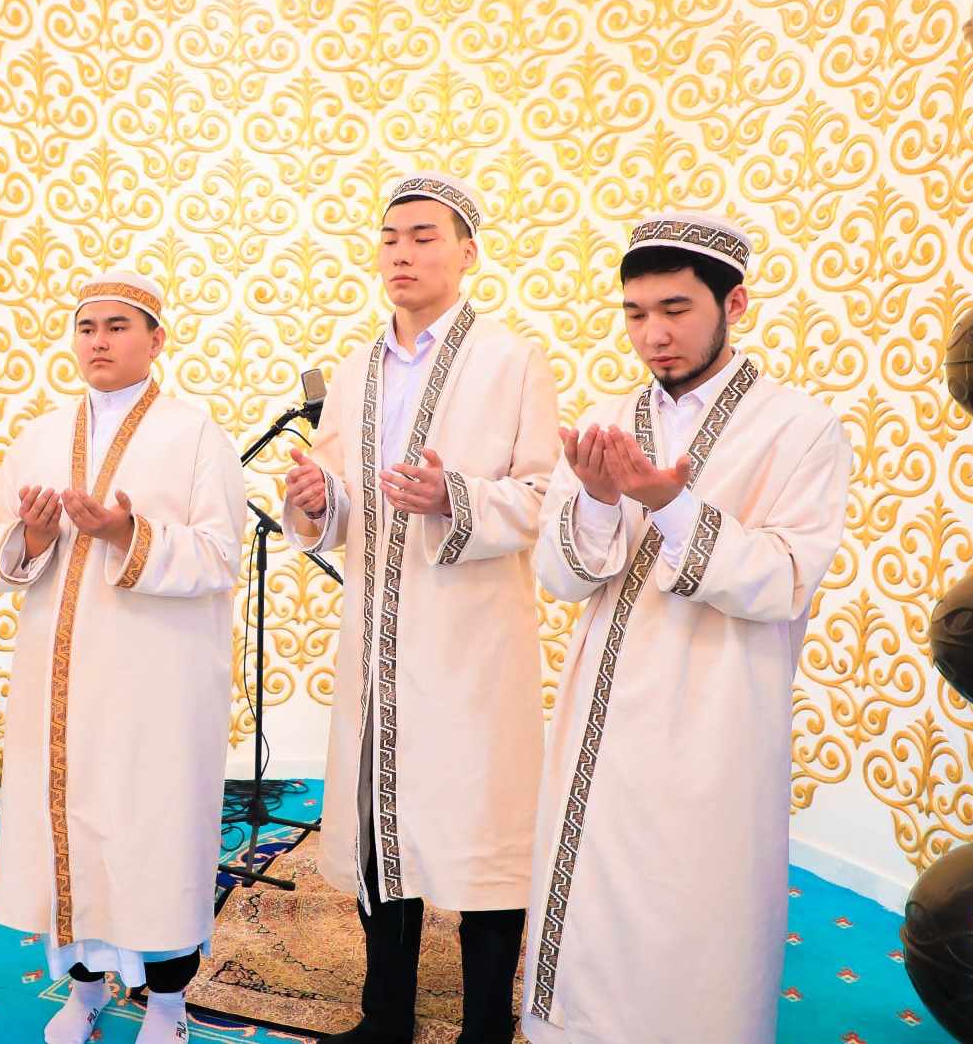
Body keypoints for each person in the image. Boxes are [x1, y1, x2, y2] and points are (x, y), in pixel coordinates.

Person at [523, 211, 852, 1044]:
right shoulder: (604, 420)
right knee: (590, 901)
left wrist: (671, 505)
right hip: (600, 715)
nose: (654, 335)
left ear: (734, 304)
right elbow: (559, 577)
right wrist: (599, 500)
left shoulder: (799, 428)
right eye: (636, 314)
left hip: (713, 714)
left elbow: (784, 578)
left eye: (675, 310)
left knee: (692, 911)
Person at [282, 172, 559, 1044]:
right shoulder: (357, 367)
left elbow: (546, 498)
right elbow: (340, 501)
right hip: (376, 644)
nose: (401, 253)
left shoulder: (513, 360)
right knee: (380, 825)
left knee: (485, 834)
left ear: (468, 253)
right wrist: (317, 501)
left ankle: (485, 1030)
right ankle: (385, 1018)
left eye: (423, 236)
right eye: (390, 237)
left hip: (476, 644)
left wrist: (455, 497)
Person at [0, 270, 246, 1044]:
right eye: (86, 326)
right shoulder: (39, 436)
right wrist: (30, 537)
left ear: (156, 341)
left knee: (152, 837)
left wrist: (126, 533)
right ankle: (85, 991)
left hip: (156, 685)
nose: (97, 340)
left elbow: (220, 555)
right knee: (68, 830)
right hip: (57, 684)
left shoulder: (196, 435)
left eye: (117, 326)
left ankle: (168, 1006)